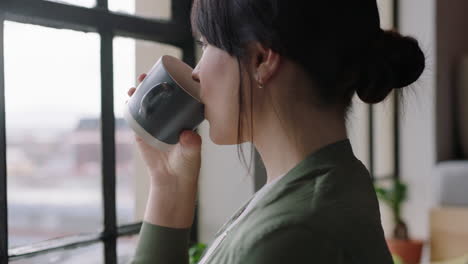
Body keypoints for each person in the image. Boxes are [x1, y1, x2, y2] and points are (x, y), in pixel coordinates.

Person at [128, 0, 425, 263]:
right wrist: (170, 186)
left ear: (262, 59)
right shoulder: (329, 185)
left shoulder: (287, 235)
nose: (196, 71)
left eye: (206, 44)